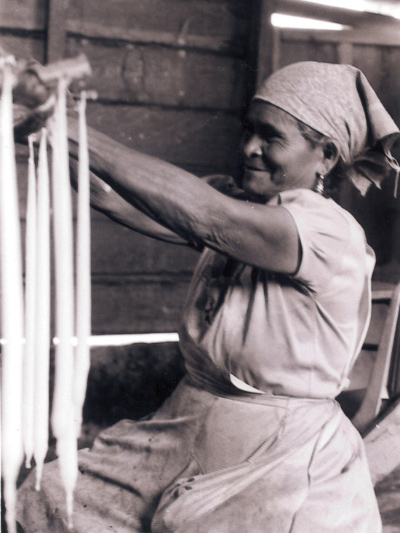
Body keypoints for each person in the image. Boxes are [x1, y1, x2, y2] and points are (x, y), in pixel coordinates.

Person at [15, 61, 400, 532]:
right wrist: (45, 131)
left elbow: (205, 217)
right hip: (186, 421)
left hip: (276, 451)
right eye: (248, 131)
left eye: (270, 137)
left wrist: (66, 125)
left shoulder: (325, 232)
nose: (249, 148)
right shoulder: (245, 204)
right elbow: (110, 194)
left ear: (326, 154)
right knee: (48, 496)